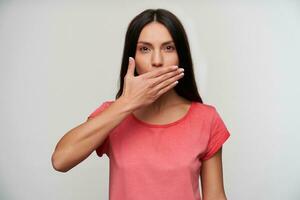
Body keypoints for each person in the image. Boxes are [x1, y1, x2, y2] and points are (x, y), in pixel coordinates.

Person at [51, 8, 231, 200]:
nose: (157, 61)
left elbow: (215, 196)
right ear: (132, 58)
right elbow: (60, 161)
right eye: (145, 49)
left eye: (168, 48)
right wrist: (127, 103)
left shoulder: (206, 118)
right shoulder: (113, 113)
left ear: (181, 56)